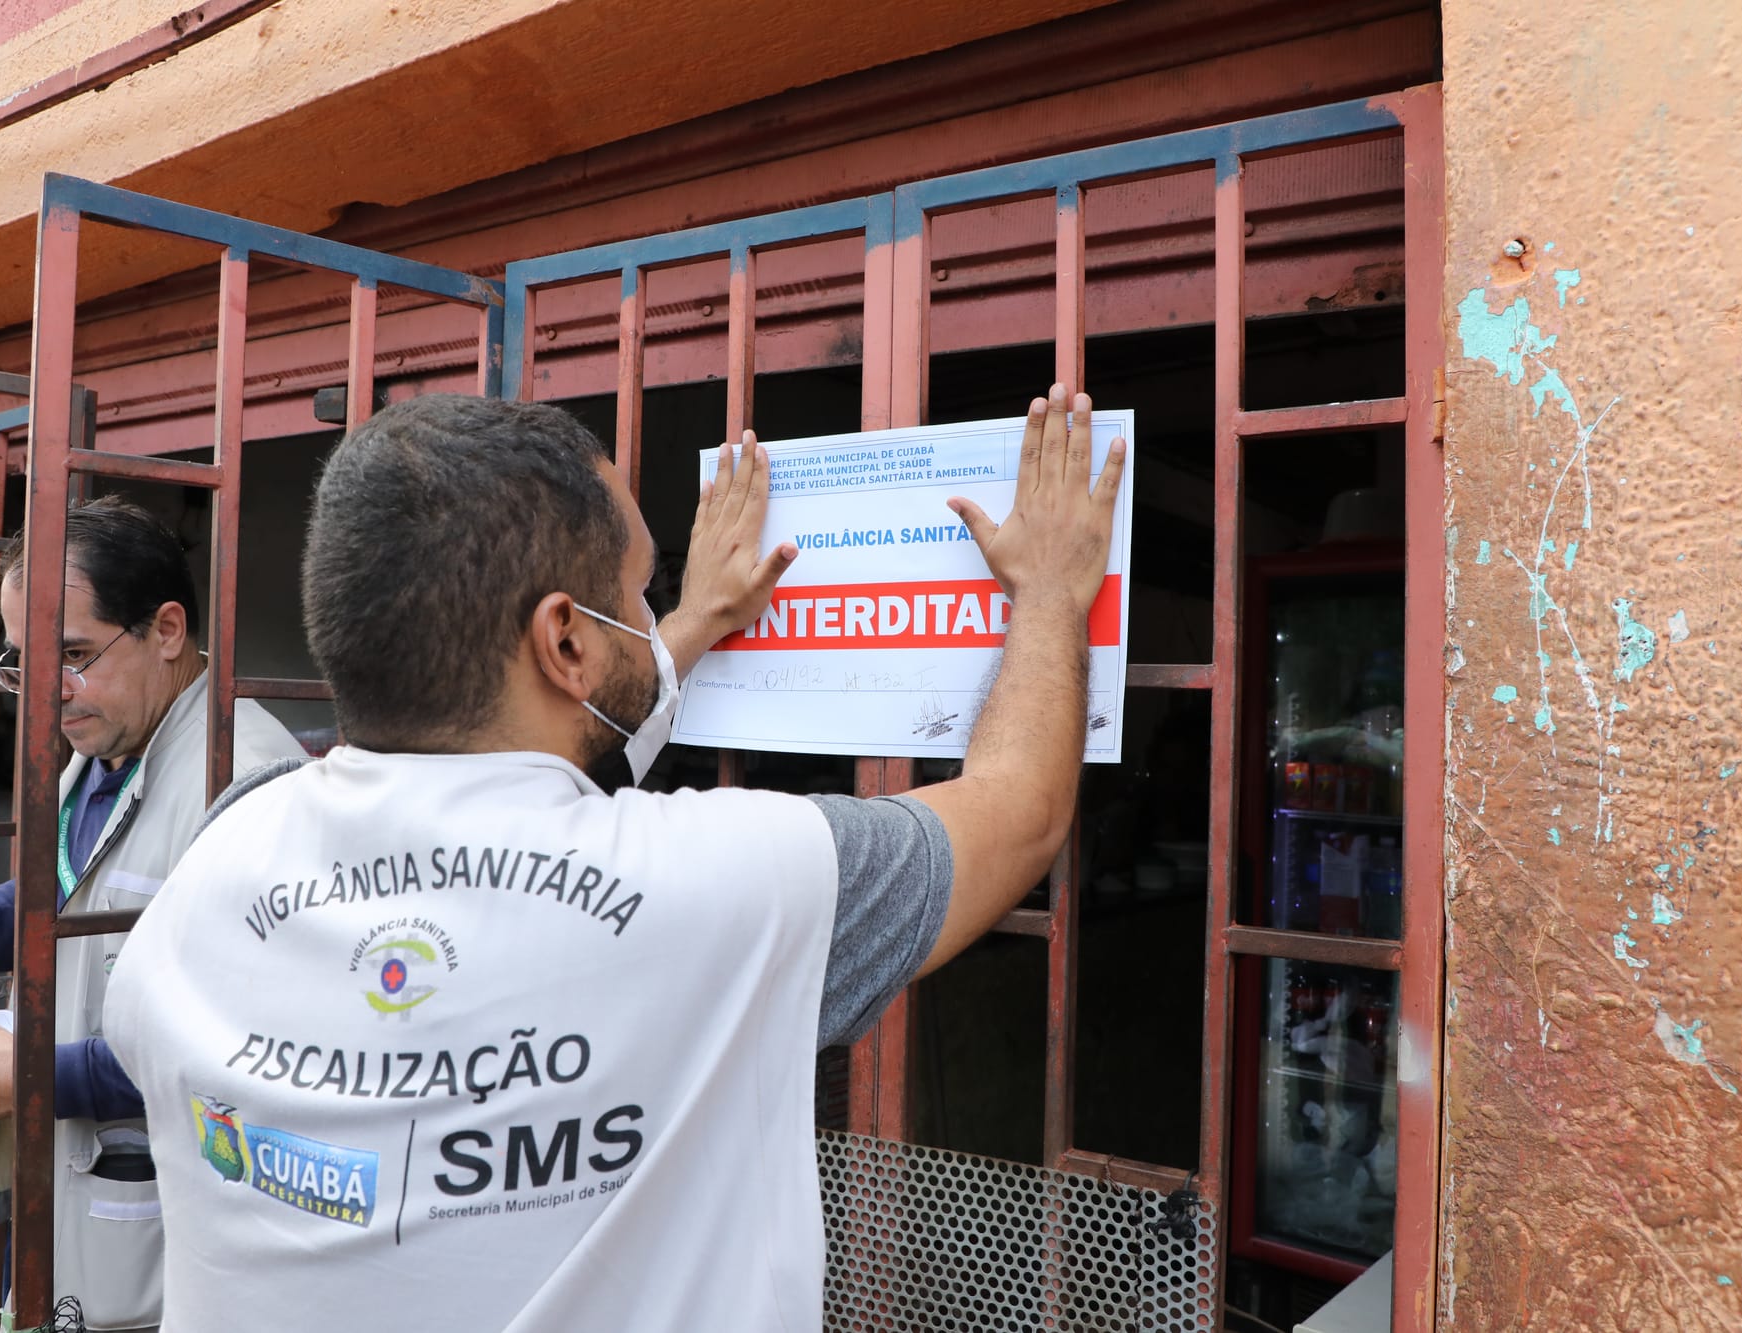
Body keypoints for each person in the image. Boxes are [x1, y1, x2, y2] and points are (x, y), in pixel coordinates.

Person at [103, 386, 1124, 1330]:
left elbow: (517, 768)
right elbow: (1017, 812)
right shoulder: (718, 884)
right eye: (640, 587)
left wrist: (691, 626)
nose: (649, 611)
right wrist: (1046, 592)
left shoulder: (220, 857)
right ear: (566, 643)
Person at [0, 497, 307, 1332]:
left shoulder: (247, 778)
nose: (48, 691)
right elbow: (62, 898)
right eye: (23, 662)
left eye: (75, 654)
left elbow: (229, 1048)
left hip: (171, 1225)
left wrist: (24, 1075)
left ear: (167, 629)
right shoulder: (105, 750)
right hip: (72, 1201)